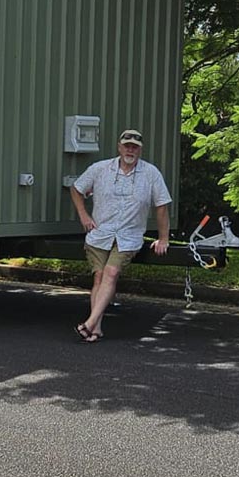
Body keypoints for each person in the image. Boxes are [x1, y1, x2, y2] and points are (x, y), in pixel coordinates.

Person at [69, 128, 170, 343]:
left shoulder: (151, 174)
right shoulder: (100, 169)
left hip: (128, 236)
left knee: (111, 272)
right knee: (99, 277)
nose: (130, 150)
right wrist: (84, 215)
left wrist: (164, 238)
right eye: (127, 145)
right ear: (119, 147)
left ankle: (89, 323)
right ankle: (96, 329)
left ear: (140, 150)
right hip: (100, 234)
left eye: (135, 147)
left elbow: (162, 206)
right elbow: (76, 189)